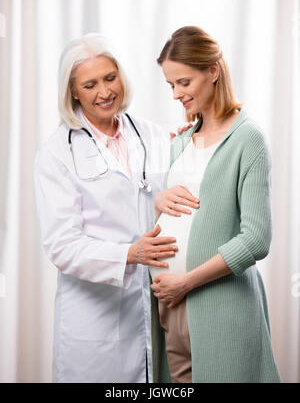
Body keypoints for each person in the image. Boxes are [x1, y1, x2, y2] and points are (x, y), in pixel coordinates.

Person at [34, 33, 193, 383]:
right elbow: (61, 245)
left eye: (110, 78)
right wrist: (128, 254)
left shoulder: (151, 135)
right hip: (93, 319)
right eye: (89, 84)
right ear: (72, 91)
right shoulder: (57, 153)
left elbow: (175, 191)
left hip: (151, 307)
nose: (104, 92)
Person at [149, 26, 282, 383]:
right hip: (171, 310)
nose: (176, 94)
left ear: (212, 71)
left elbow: (256, 239)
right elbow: (154, 205)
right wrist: (158, 199)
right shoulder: (180, 143)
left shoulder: (248, 140)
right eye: (170, 85)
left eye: (184, 82)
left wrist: (187, 282)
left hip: (221, 310)